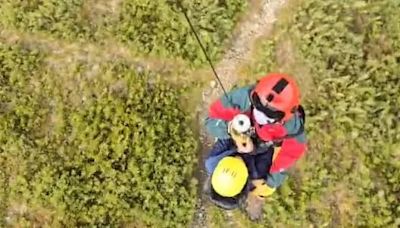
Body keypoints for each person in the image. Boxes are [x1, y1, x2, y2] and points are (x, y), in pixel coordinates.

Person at [204, 73, 307, 220]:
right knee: (259, 177)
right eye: (257, 105)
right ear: (255, 93)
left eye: (269, 115)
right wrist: (231, 130)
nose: (259, 115)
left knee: (260, 176)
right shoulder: (243, 98)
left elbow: (292, 151)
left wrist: (272, 182)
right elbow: (211, 121)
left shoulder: (291, 126)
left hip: (260, 144)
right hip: (238, 142)